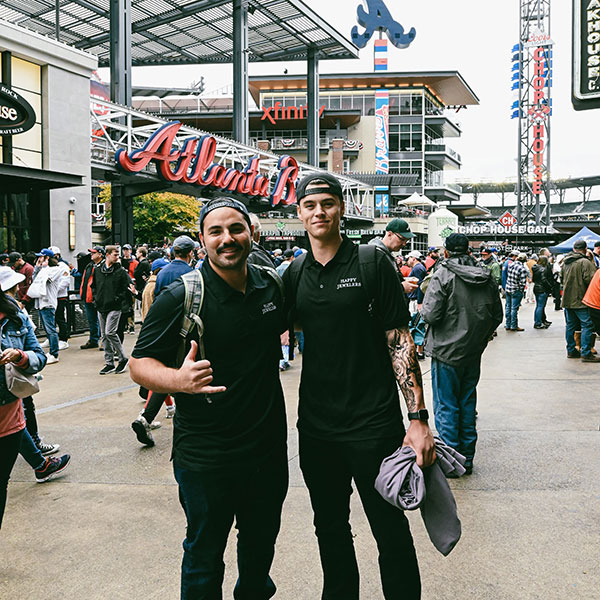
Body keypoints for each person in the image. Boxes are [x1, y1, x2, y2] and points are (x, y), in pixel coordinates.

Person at [283, 173, 435, 600]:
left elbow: (399, 340)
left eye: (327, 203)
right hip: (316, 428)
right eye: (310, 205)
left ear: (341, 208)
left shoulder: (371, 262)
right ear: (299, 213)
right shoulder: (295, 272)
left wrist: (418, 419)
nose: (319, 212)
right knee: (330, 528)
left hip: (374, 425)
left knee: (389, 527)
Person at [129, 197, 288, 599]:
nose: (227, 238)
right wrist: (178, 380)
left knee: (259, 552)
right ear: (202, 239)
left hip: (267, 450)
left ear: (251, 233)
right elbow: (139, 364)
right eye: (215, 231)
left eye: (235, 228)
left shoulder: (271, 284)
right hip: (206, 454)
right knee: (204, 555)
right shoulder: (181, 295)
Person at [420, 234, 503, 476]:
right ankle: (466, 459)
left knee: (446, 406)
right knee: (467, 403)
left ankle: (450, 462)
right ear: (469, 250)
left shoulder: (442, 274)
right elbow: (497, 315)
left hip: (446, 350)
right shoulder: (485, 274)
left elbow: (431, 315)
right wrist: (479, 337)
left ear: (446, 252)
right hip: (472, 350)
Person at [0, 267, 69, 529]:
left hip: (9, 413)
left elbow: (37, 357)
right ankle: (41, 463)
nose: (18, 289)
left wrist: (20, 356)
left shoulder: (18, 317)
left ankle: (40, 463)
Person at [131, 257, 175, 446]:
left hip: (152, 335)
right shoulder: (163, 286)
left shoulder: (150, 287)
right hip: (163, 335)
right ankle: (150, 414)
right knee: (162, 377)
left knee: (161, 378)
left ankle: (150, 415)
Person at [91, 245, 130, 375]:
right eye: (115, 254)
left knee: (109, 332)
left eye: (118, 254)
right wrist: (96, 299)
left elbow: (125, 289)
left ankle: (122, 357)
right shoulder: (98, 270)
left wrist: (117, 299)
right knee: (104, 335)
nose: (117, 257)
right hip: (102, 306)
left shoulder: (120, 271)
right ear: (107, 254)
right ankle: (109, 363)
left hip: (114, 306)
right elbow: (94, 286)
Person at [562, 239, 599, 362]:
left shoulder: (565, 262)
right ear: (585, 249)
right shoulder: (585, 262)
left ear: (574, 249)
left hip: (567, 299)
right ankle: (586, 352)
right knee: (587, 325)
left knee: (570, 326)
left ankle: (571, 350)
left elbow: (561, 278)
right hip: (581, 299)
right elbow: (592, 281)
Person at [32, 249, 69, 364]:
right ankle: (52, 352)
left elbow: (43, 280)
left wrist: (41, 269)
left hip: (48, 303)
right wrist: (37, 268)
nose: (39, 259)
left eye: (41, 257)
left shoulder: (56, 269)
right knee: (48, 330)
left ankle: (54, 353)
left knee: (51, 329)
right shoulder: (44, 269)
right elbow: (34, 281)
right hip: (41, 302)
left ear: (47, 258)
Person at [368, 219, 419, 295]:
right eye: (402, 239)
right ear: (389, 234)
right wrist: (401, 287)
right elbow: (373, 287)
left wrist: (403, 280)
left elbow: (387, 280)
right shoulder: (374, 254)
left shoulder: (387, 254)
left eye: (406, 240)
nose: (404, 244)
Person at [79, 247, 104, 349]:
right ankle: (94, 339)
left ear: (100, 254)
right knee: (92, 320)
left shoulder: (103, 266)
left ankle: (103, 340)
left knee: (102, 320)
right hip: (88, 296)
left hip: (98, 297)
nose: (91, 254)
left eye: (94, 253)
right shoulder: (89, 265)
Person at [505, 252, 528, 331]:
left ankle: (507, 324)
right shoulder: (522, 269)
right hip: (516, 290)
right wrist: (521, 291)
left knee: (508, 307)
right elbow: (522, 283)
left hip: (508, 288)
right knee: (514, 309)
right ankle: (513, 325)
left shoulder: (511, 265)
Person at [532, 255, 554, 329]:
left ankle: (539, 321)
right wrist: (549, 287)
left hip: (536, 288)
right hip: (542, 289)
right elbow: (544, 279)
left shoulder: (535, 268)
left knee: (539, 306)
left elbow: (534, 279)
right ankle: (538, 323)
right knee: (541, 306)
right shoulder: (543, 269)